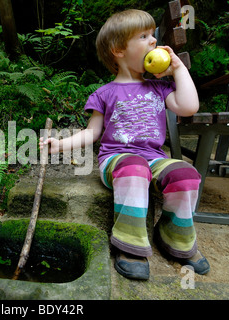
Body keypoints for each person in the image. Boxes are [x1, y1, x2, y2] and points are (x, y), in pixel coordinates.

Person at [39, 9, 210, 280]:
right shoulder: (104, 93)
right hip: (117, 160)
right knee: (134, 167)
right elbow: (91, 133)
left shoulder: (159, 88)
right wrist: (60, 145)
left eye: (152, 35)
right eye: (143, 36)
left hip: (154, 158)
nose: (153, 41)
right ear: (118, 50)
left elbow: (188, 107)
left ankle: (174, 237)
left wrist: (178, 69)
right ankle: (130, 244)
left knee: (185, 174)